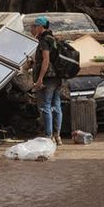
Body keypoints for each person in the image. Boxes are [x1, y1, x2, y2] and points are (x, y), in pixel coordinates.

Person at [29, 16, 65, 145]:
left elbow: (46, 60)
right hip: (57, 78)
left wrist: (39, 79)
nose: (32, 29)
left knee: (46, 107)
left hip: (48, 78)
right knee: (56, 106)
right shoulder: (53, 39)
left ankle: (49, 136)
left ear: (40, 27)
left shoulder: (44, 41)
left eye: (33, 26)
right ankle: (58, 136)